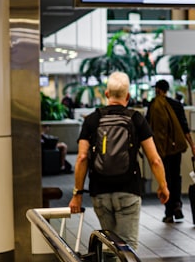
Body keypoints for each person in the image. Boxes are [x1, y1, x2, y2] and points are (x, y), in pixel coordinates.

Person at [69, 71, 170, 249]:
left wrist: (77, 194)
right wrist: (162, 185)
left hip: (99, 191)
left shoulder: (92, 120)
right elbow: (155, 160)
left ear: (107, 94)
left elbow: (82, 157)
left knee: (110, 245)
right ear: (128, 96)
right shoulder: (136, 119)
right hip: (129, 190)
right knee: (127, 248)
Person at [147, 79, 195, 224]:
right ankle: (177, 205)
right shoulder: (177, 105)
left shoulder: (153, 105)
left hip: (161, 148)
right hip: (175, 148)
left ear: (158, 90)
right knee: (176, 176)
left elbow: (148, 128)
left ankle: (169, 211)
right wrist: (194, 149)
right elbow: (185, 128)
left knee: (165, 178)